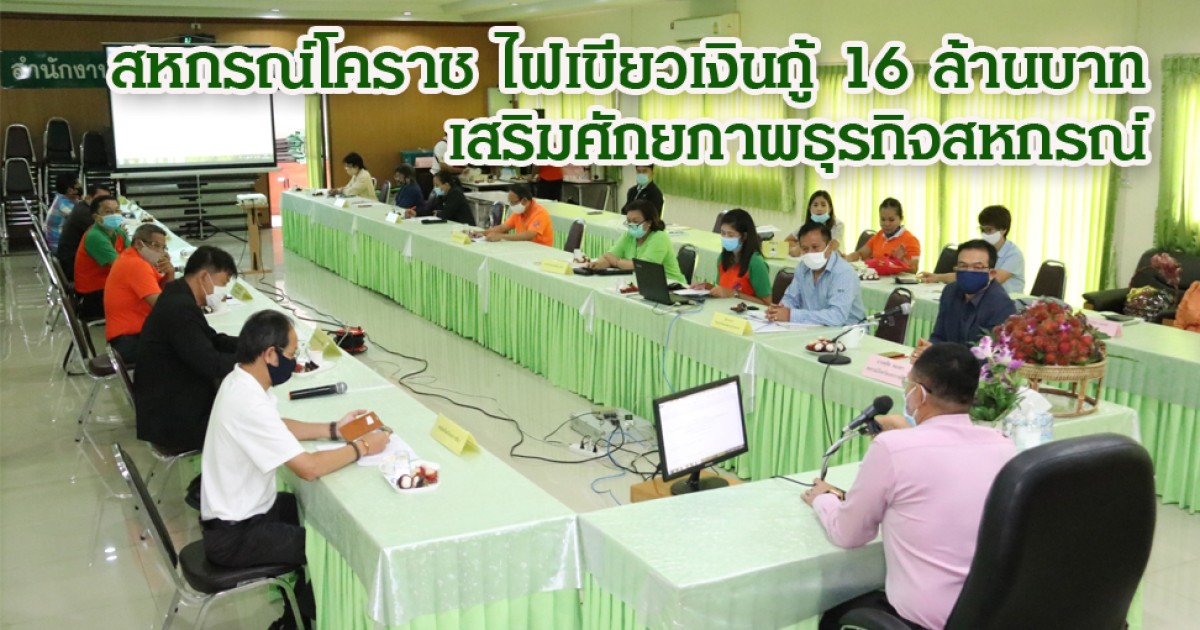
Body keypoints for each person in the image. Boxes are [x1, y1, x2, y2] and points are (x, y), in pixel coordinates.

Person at [200, 310, 391, 630]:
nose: (294, 361)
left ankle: (298, 613)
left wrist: (335, 430)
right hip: (235, 536)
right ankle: (300, 621)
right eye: (291, 354)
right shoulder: (246, 400)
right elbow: (309, 468)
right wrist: (363, 446)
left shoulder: (242, 380)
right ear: (270, 354)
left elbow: (278, 425)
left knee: (317, 513)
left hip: (246, 513)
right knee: (332, 549)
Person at [804, 342, 1016, 630]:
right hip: (987, 613)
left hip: (925, 619)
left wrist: (824, 498)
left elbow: (848, 534)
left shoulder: (892, 448)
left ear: (919, 393)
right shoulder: (1002, 446)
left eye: (908, 384)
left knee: (834, 611)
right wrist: (912, 434)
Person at [136, 246, 240, 452]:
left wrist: (250, 343)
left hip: (171, 401)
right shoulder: (179, 308)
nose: (224, 291)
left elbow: (210, 338)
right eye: (223, 283)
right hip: (174, 421)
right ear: (203, 277)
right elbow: (211, 364)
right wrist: (254, 360)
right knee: (248, 425)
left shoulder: (178, 294)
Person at [912, 240, 1017, 360]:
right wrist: (929, 350)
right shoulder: (950, 292)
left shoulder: (1002, 306)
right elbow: (939, 337)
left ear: (991, 274)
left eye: (977, 267)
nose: (969, 271)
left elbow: (989, 359)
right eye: (963, 266)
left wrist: (943, 358)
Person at [767, 222, 865, 326]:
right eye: (805, 249)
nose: (810, 253)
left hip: (848, 331)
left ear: (830, 246)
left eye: (815, 247)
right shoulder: (803, 266)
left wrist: (791, 315)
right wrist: (780, 310)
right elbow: (791, 298)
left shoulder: (844, 272)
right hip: (813, 327)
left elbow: (837, 316)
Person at [103, 224, 174, 363]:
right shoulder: (136, 264)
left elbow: (162, 292)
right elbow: (162, 306)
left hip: (135, 332)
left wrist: (170, 274)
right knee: (188, 349)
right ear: (138, 244)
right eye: (156, 245)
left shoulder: (134, 257)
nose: (161, 252)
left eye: (163, 247)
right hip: (128, 340)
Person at [917, 205, 1027, 294]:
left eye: (989, 230)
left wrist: (964, 277)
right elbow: (968, 274)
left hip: (1008, 304)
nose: (985, 234)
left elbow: (993, 279)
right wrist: (937, 277)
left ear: (1003, 230)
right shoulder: (983, 250)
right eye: (982, 229)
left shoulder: (1014, 254)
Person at [587, 199, 686, 284]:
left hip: (671, 286)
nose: (631, 225)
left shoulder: (659, 237)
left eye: (635, 222)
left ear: (649, 222)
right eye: (629, 221)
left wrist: (616, 262)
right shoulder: (629, 235)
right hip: (641, 283)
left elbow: (643, 267)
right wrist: (599, 264)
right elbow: (609, 256)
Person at [690, 208, 771, 305]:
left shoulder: (756, 262)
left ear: (744, 236)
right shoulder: (723, 258)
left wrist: (735, 294)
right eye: (723, 233)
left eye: (731, 235)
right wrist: (707, 287)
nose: (726, 238)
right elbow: (723, 291)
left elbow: (767, 303)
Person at [74, 195, 126, 320]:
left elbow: (134, 253)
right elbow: (121, 267)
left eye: (117, 210)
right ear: (96, 217)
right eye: (108, 212)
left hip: (108, 283)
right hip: (95, 293)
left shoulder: (117, 231)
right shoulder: (95, 236)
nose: (114, 215)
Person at [846, 198, 921, 273]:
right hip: (877, 278)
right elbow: (861, 254)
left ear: (901, 219)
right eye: (883, 219)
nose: (886, 224)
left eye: (891, 220)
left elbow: (914, 270)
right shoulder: (879, 235)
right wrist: (845, 259)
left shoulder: (911, 240)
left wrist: (900, 261)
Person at [57, 182, 111, 282]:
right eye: (100, 199)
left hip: (75, 260)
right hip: (74, 267)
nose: (105, 203)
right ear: (89, 198)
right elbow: (105, 238)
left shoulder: (83, 207)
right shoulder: (85, 214)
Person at [473, 183, 553, 246]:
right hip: (523, 248)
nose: (511, 205)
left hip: (541, 252)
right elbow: (502, 228)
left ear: (524, 200)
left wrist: (501, 236)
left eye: (513, 202)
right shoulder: (520, 212)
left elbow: (528, 236)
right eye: (510, 202)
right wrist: (482, 233)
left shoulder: (540, 213)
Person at [786, 190, 846, 255]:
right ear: (810, 209)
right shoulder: (806, 225)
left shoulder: (838, 224)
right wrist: (801, 247)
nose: (819, 209)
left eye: (823, 205)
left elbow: (832, 246)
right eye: (815, 205)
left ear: (830, 209)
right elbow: (787, 241)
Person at [42, 173, 80, 252]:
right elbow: (82, 218)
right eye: (77, 186)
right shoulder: (63, 204)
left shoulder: (62, 197)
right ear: (70, 190)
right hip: (60, 247)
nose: (80, 188)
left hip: (60, 242)